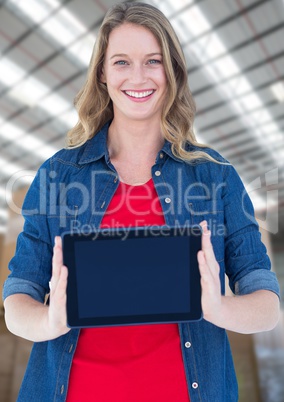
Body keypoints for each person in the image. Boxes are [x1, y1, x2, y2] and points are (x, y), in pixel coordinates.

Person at [2, 2, 280, 401]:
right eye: (121, 62)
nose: (138, 76)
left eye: (153, 61)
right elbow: (18, 296)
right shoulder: (59, 174)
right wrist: (49, 321)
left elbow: (267, 302)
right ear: (102, 72)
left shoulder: (214, 175)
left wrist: (221, 308)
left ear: (172, 70)